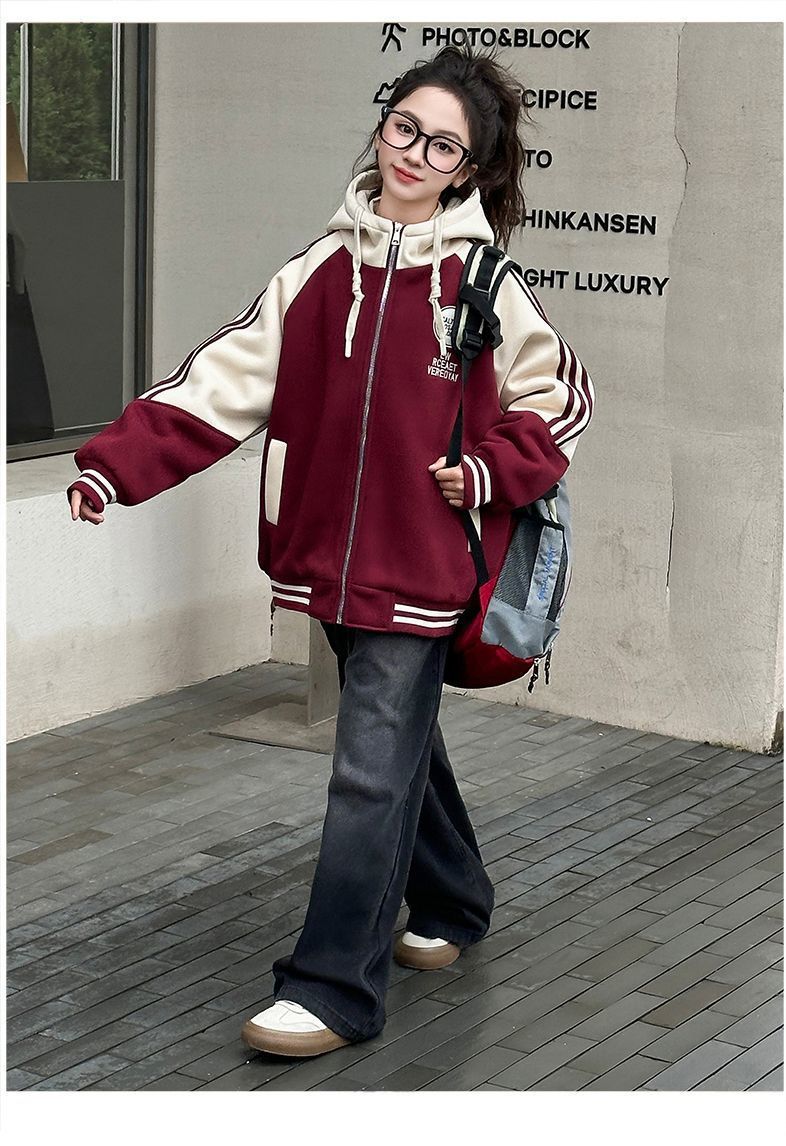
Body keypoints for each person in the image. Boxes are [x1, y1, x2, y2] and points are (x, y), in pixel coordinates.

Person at [66, 42, 594, 1060]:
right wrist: (112, 468)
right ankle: (456, 896)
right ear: (382, 125)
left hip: (424, 565)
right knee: (393, 748)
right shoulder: (317, 270)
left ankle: (333, 987)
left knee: (365, 774)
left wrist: (490, 469)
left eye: (441, 146)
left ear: (470, 169)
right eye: (404, 127)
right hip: (326, 564)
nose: (413, 153)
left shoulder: (483, 280)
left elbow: (560, 397)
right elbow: (219, 382)